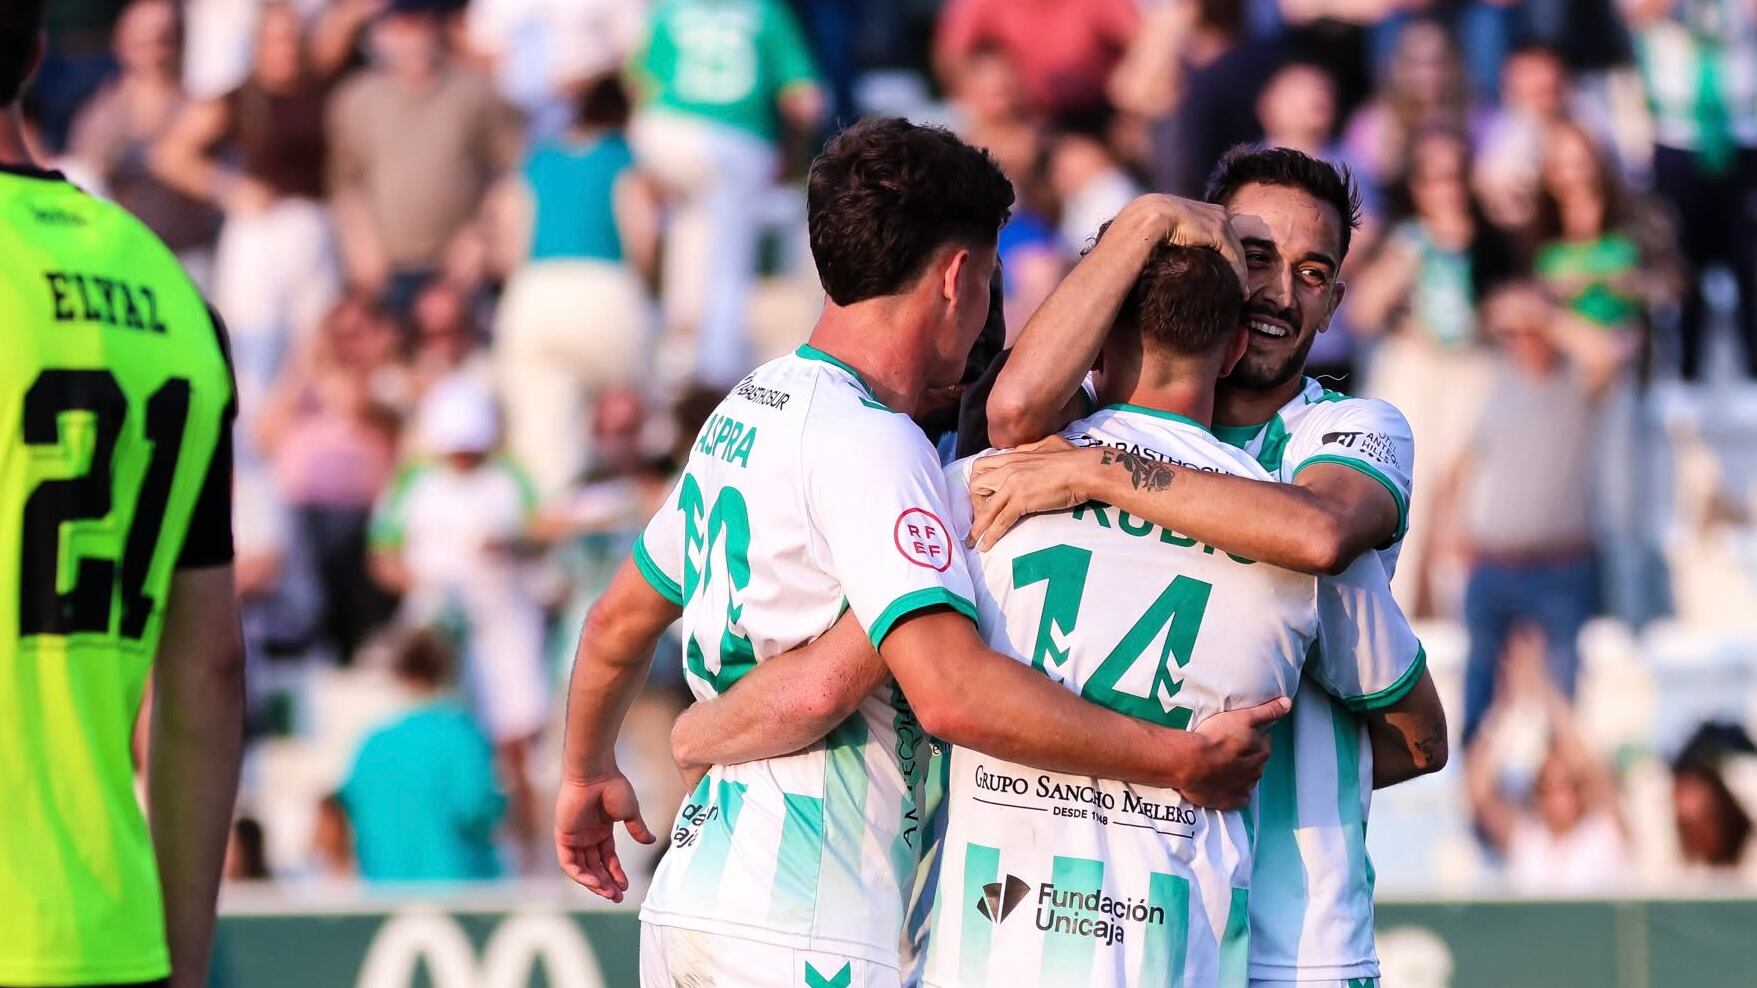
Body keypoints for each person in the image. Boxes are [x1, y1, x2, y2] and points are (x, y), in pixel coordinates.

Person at [553, 118, 1286, 988]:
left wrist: (585, 773)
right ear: (956, 276)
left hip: (692, 893)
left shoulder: (750, 403)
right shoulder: (876, 443)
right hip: (811, 914)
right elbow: (946, 692)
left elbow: (617, 619)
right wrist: (1177, 760)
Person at [964, 149, 1452, 988]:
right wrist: (1147, 217)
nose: (1280, 294)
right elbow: (1011, 411)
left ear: (1335, 304)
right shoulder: (1107, 414)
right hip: (1135, 923)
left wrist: (1097, 472)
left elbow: (1321, 533)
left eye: (1312, 274)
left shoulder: (1346, 429)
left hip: (1298, 945)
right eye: (1256, 256)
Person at [0, 4, 244, 986]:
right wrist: (179, 966)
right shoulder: (169, 289)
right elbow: (209, 670)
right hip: (106, 932)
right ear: (33, 54)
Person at [368, 375, 547, 868]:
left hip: (504, 628)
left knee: (516, 748)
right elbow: (383, 557)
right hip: (436, 632)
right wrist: (426, 584)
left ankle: (528, 858)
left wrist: (510, 545)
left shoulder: (510, 476)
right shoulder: (412, 482)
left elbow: (541, 530)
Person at [1441, 282, 1631, 745]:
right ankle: (1477, 783)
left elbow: (1606, 355)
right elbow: (1461, 465)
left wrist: (1541, 315)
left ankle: (1562, 776)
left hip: (1561, 565)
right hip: (1493, 563)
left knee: (1563, 698)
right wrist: (1453, 532)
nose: (1521, 339)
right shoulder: (1495, 382)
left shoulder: (1577, 383)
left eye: (1530, 331)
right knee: (1479, 694)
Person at [151, 1, 341, 433]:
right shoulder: (239, 99)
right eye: (275, 40)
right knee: (256, 353)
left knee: (313, 351)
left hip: (314, 229)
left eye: (292, 39)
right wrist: (227, 187)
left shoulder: (320, 94)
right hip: (261, 232)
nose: (284, 50)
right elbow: (170, 154)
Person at [627, 0, 825, 388]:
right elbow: (806, 101)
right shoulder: (766, 11)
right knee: (727, 262)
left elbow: (637, 82)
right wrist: (797, 155)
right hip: (735, 143)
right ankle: (715, 374)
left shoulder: (670, 8)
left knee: (692, 230)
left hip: (663, 133)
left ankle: (677, 358)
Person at [490, 72, 659, 496]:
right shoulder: (621, 157)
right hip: (605, 289)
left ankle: (552, 511)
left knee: (542, 434)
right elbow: (643, 236)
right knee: (637, 413)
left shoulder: (536, 160)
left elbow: (508, 241)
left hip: (535, 292)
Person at [327, 0, 519, 317]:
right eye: (401, 27)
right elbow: (345, 183)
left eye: (420, 24)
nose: (413, 39)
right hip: (386, 274)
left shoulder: (477, 91)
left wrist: (480, 236)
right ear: (381, 34)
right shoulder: (356, 99)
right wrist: (360, 246)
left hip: (458, 271)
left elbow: (509, 173)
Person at [65, 0, 221, 284]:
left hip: (188, 258)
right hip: (121, 261)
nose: (153, 53)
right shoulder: (100, 113)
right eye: (142, 42)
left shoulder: (201, 109)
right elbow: (85, 178)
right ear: (121, 45)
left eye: (164, 40)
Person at [1466, 625, 1629, 893]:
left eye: (1567, 784)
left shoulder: (1603, 833)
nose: (1557, 795)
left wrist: (1541, 683)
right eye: (1546, 786)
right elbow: (1478, 791)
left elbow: (1595, 770)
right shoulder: (1527, 840)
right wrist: (1505, 704)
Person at [339, 628, 506, 882]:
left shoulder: (372, 743)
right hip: (457, 888)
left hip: (384, 890)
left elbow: (351, 809)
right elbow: (479, 808)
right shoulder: (463, 736)